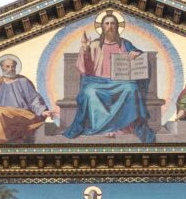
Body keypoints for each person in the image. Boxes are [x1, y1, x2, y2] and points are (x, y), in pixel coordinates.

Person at [64, 12, 154, 143]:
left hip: (120, 82)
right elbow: (85, 70)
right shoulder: (94, 44)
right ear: (102, 27)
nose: (110, 26)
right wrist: (85, 50)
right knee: (89, 92)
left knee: (131, 88)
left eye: (113, 23)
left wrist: (136, 53)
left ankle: (122, 128)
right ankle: (102, 128)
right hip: (97, 82)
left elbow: (141, 58)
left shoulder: (125, 44)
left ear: (117, 26)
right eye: (107, 23)